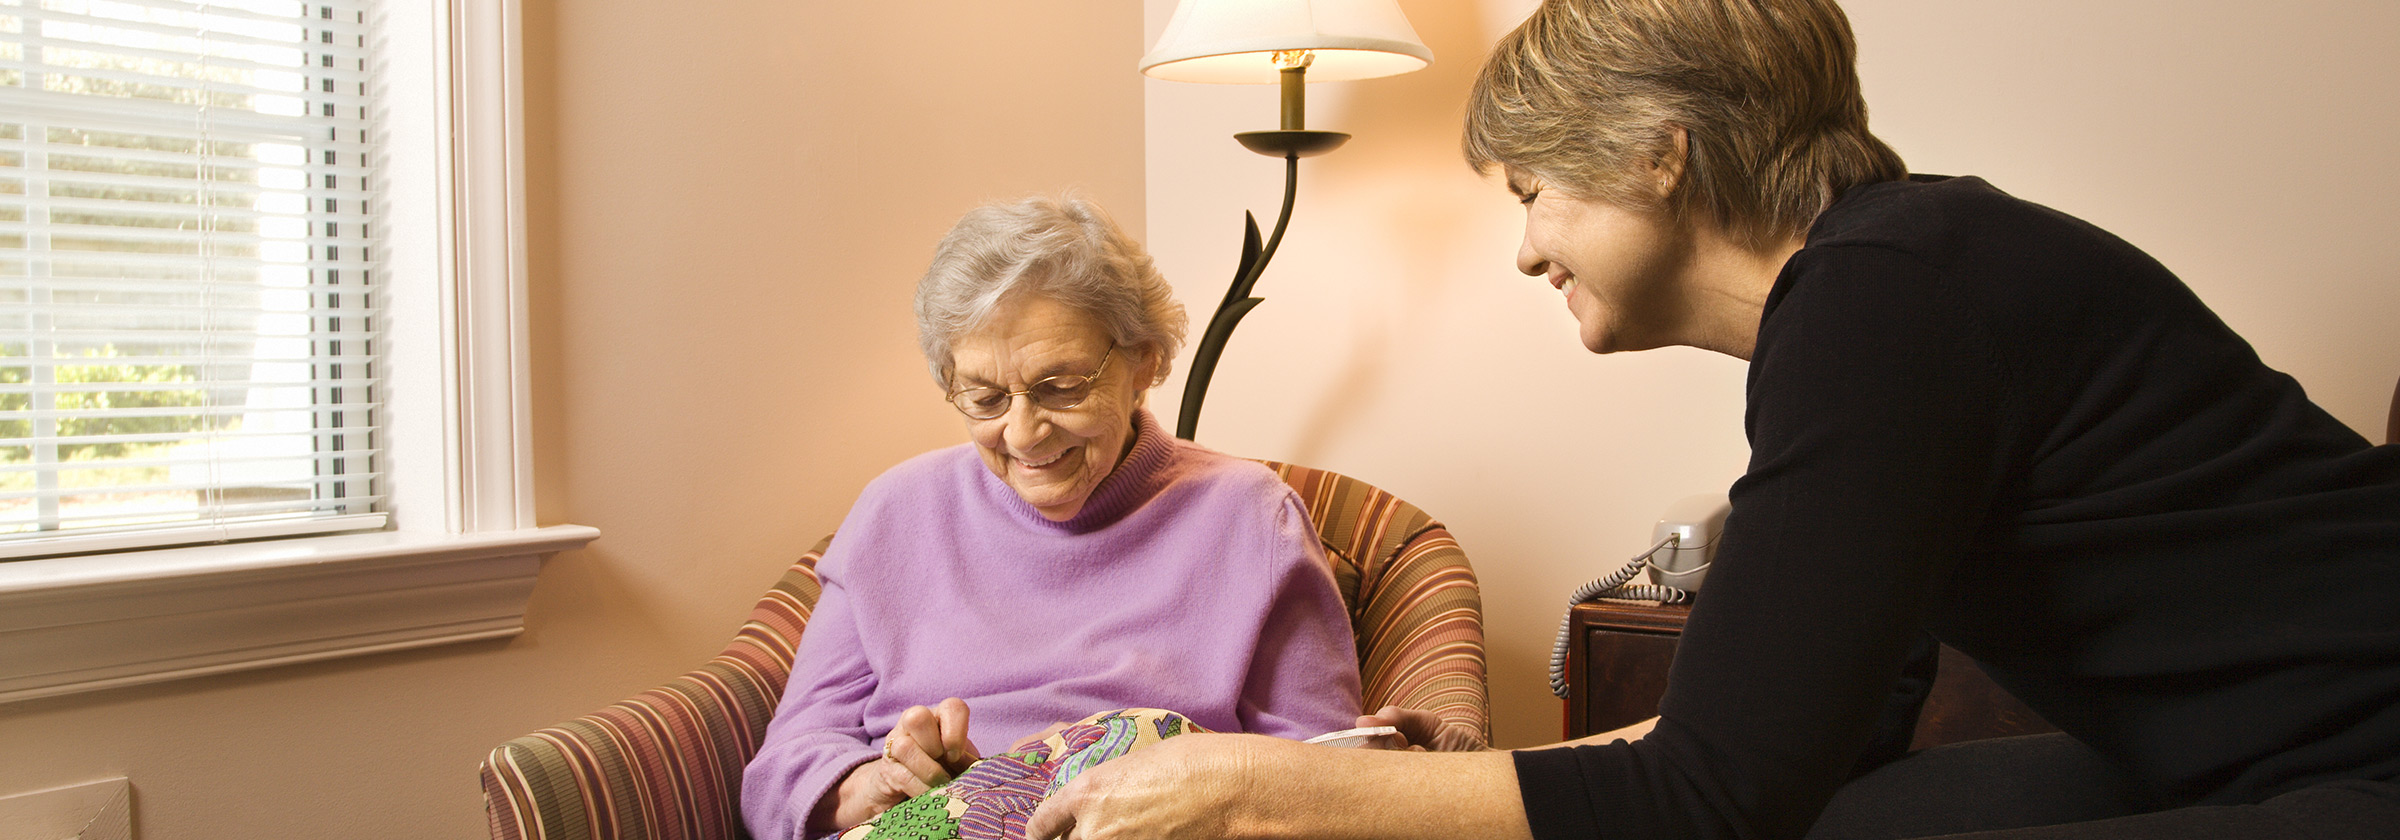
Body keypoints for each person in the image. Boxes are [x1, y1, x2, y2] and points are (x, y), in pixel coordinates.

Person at [1021, 1, 2400, 839]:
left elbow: (1709, 802)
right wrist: (1459, 781)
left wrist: (1254, 791)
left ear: (1654, 151)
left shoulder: (1885, 295)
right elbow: (1806, 740)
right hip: (2252, 762)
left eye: (1531, 195)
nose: (1525, 250)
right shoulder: (1890, 283)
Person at [740, 195, 1365, 840]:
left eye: (1061, 388)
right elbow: (779, 775)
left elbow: (1321, 776)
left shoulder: (1250, 520)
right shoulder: (894, 514)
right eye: (983, 398)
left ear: (1143, 362)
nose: (1024, 434)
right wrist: (875, 787)